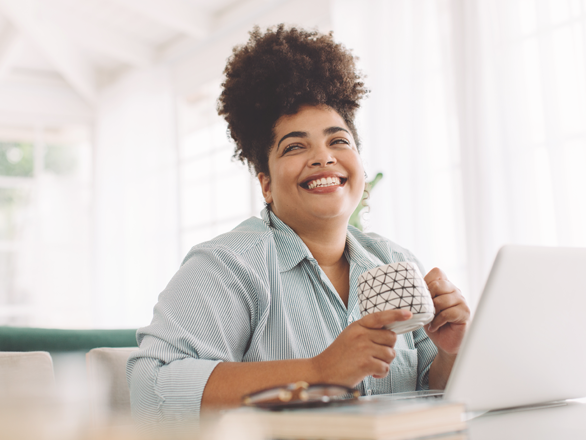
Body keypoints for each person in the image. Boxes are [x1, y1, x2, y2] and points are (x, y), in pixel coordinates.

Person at [127, 24, 470, 425]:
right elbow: (151, 390)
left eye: (338, 141)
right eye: (294, 146)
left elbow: (434, 392)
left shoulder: (395, 262)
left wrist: (451, 352)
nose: (323, 157)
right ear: (266, 184)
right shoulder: (226, 266)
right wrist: (318, 373)